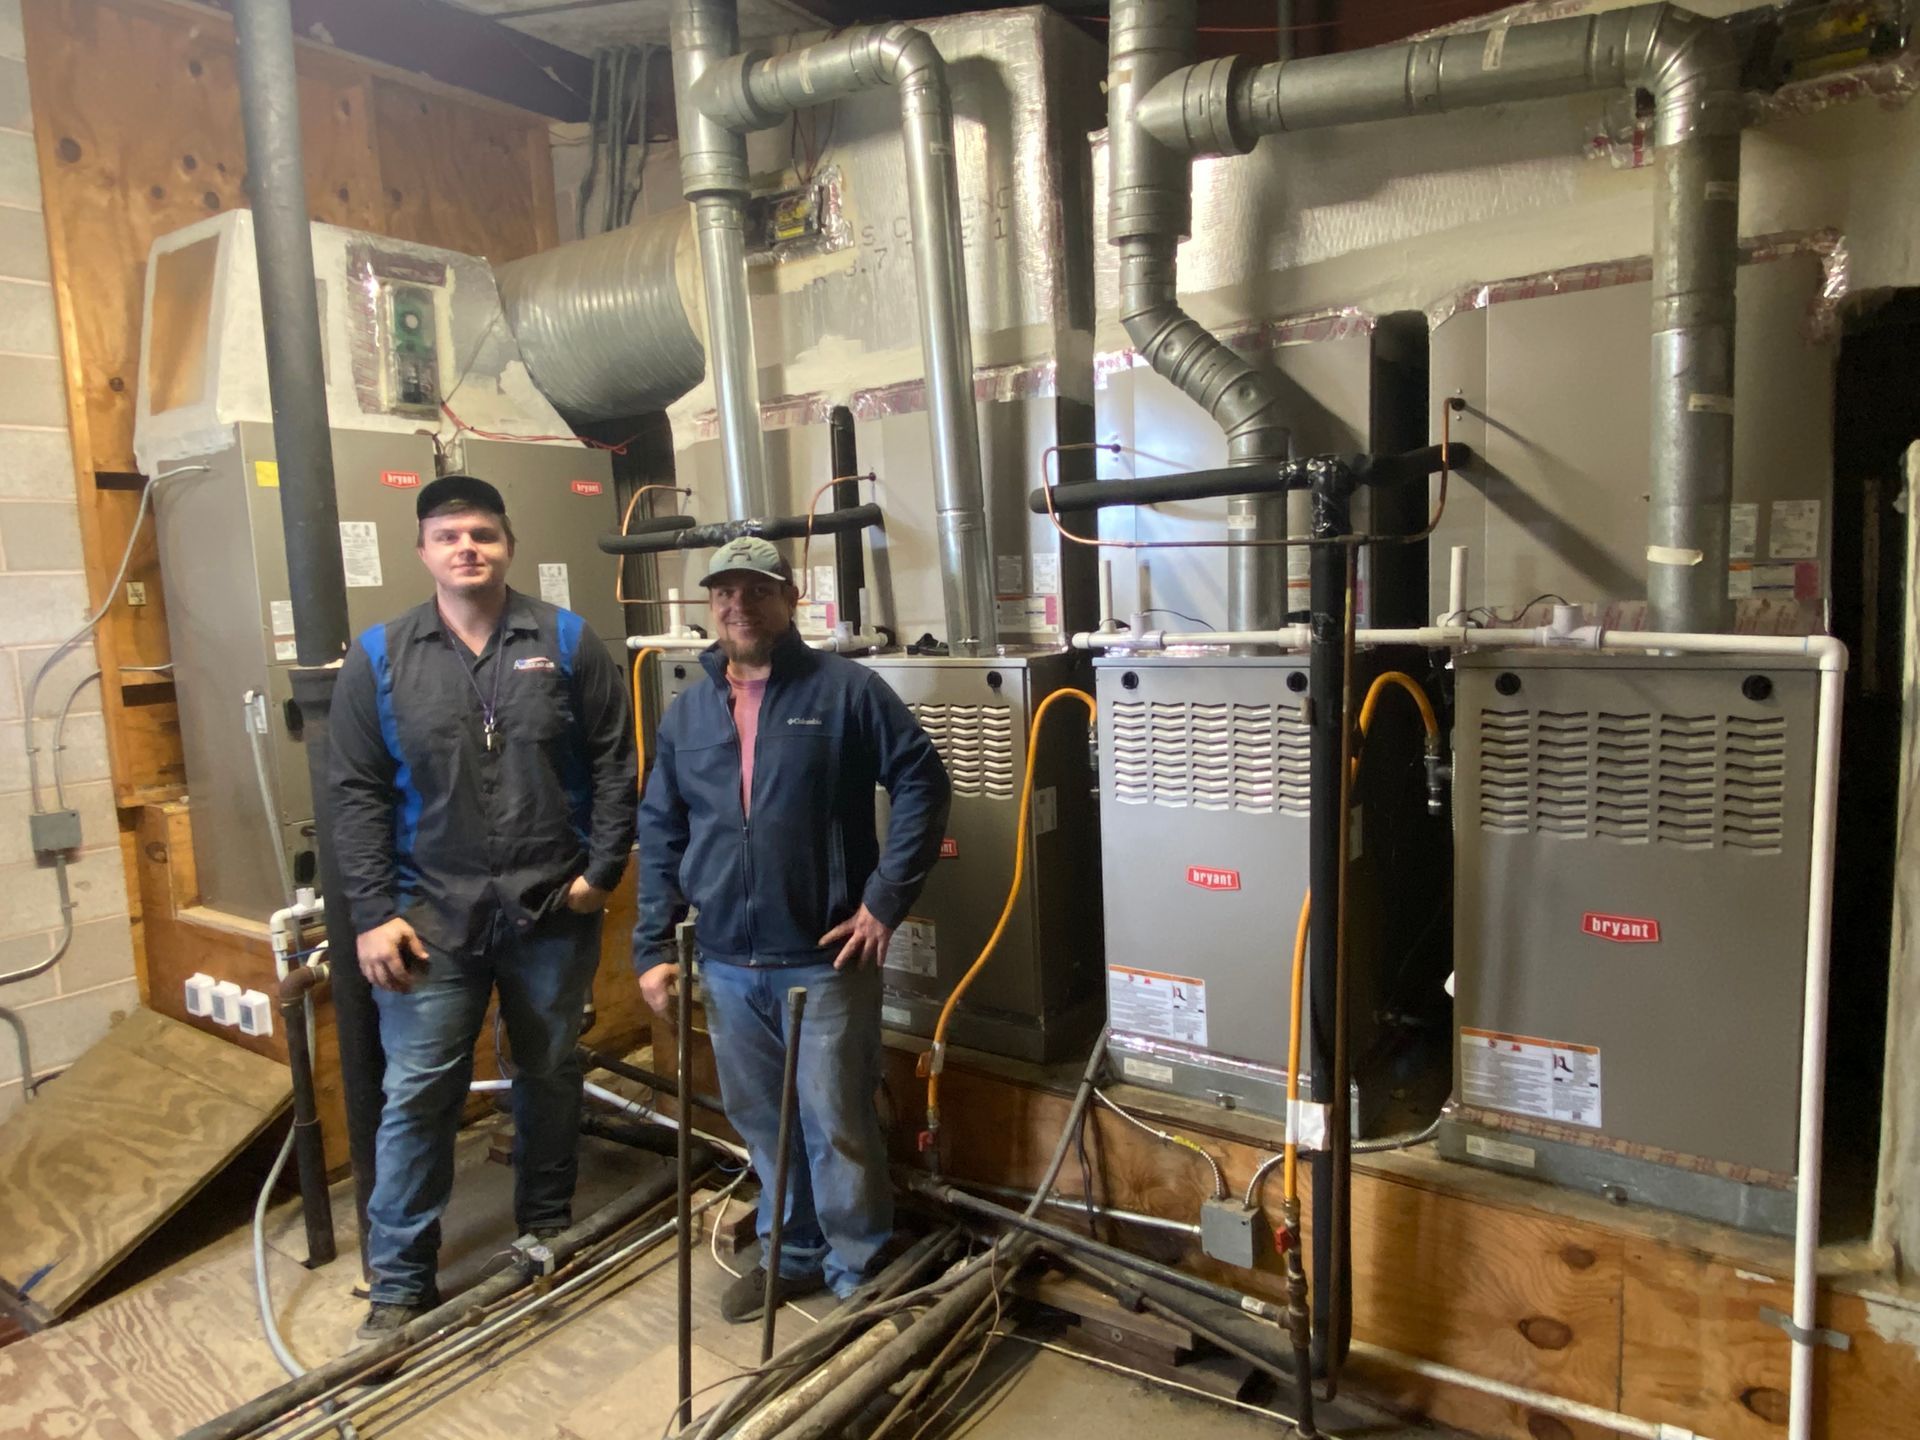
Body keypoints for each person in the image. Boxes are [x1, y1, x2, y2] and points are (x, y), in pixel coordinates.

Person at [330, 474, 637, 1339]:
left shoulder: (568, 640)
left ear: (508, 545)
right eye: (449, 535)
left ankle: (546, 1223)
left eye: (484, 534)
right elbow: (354, 792)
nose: (468, 547)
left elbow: (616, 761)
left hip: (551, 907)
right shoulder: (382, 656)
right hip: (430, 917)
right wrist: (371, 912)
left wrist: (603, 870)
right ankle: (399, 1282)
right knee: (420, 1093)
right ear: (423, 550)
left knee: (549, 1072)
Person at [634, 536, 950, 1319]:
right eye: (723, 593)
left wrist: (882, 901)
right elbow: (663, 828)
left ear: (789, 598)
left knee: (836, 1117)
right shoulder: (690, 709)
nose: (738, 605)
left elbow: (922, 782)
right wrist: (652, 945)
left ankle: (858, 1264)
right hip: (728, 960)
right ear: (710, 606)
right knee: (760, 1120)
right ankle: (792, 1251)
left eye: (756, 590)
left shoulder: (846, 690)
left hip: (822, 957)